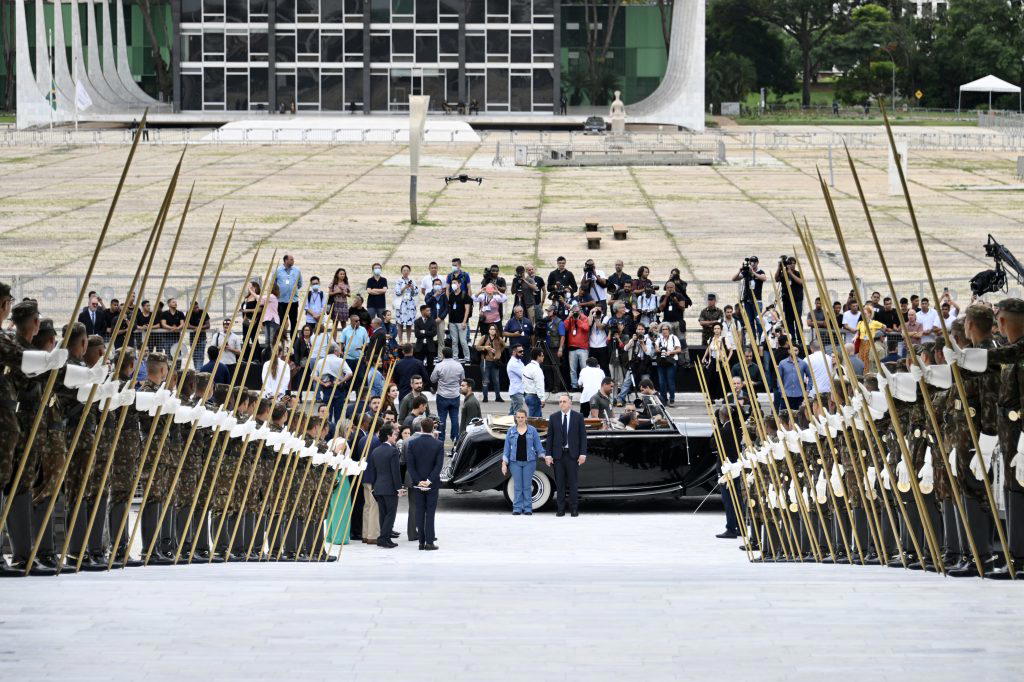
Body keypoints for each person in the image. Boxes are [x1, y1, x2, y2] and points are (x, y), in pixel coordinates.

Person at [544, 394, 587, 517]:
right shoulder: (554, 417)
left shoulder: (578, 417)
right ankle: (560, 509)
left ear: (570, 403)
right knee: (560, 484)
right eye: (560, 401)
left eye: (564, 401)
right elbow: (550, 437)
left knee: (573, 483)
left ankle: (574, 509)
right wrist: (548, 454)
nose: (561, 403)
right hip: (558, 456)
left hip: (572, 455)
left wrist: (583, 453)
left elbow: (583, 436)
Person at [406, 417, 443, 550]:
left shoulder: (412, 444)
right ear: (433, 428)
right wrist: (428, 481)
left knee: (420, 512)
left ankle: (421, 542)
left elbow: (411, 466)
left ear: (421, 428)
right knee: (430, 513)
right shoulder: (438, 444)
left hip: (418, 484)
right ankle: (429, 541)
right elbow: (438, 466)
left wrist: (419, 481)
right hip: (431, 484)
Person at [501, 410, 545, 515]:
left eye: (522, 417)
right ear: (515, 418)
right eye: (518, 417)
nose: (520, 419)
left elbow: (539, 447)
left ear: (526, 418)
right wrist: (504, 463)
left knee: (527, 486)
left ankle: (528, 508)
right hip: (514, 462)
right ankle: (517, 508)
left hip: (529, 462)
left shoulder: (532, 431)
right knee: (517, 486)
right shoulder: (511, 431)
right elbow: (506, 449)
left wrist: (545, 456)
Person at [366, 423, 403, 548]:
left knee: (383, 514)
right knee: (390, 514)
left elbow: (373, 471)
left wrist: (374, 488)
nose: (396, 437)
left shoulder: (375, 451)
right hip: (390, 488)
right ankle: (383, 538)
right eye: (394, 435)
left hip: (378, 487)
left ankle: (385, 538)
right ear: (388, 436)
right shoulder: (393, 451)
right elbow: (395, 472)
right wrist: (399, 488)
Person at [431, 347, 465, 442]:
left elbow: (432, 379)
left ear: (443, 354)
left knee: (441, 418)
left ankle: (441, 438)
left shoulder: (439, 365)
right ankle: (455, 438)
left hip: (442, 395)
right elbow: (462, 380)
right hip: (455, 395)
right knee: (455, 418)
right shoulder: (459, 366)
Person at [732, 256, 767, 337]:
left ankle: (761, 340)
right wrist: (739, 271)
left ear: (758, 262)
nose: (753, 263)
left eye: (755, 261)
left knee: (758, 321)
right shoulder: (746, 272)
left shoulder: (760, 271)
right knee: (750, 321)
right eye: (751, 261)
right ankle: (753, 340)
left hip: (757, 300)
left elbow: (764, 278)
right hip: (747, 300)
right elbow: (734, 279)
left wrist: (753, 273)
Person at [775, 256, 804, 342]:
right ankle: (793, 339)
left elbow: (801, 281)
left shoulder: (797, 273)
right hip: (787, 301)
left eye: (793, 263)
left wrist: (791, 273)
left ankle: (800, 339)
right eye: (789, 263)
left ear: (795, 264)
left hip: (797, 300)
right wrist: (779, 267)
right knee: (789, 321)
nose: (791, 265)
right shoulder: (783, 273)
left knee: (797, 319)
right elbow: (776, 279)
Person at [474, 323, 506, 402]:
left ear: (496, 331)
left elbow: (504, 346)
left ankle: (498, 397)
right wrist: (485, 347)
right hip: (485, 361)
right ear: (489, 330)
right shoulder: (485, 337)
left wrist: (498, 354)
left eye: (494, 329)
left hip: (495, 362)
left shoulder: (499, 339)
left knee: (496, 380)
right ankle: (485, 397)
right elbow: (477, 347)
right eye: (491, 329)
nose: (492, 331)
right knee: (485, 380)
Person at [653, 322, 682, 405]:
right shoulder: (659, 338)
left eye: (666, 329)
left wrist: (670, 352)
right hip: (661, 362)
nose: (664, 331)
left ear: (669, 330)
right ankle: (663, 399)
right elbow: (656, 349)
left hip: (671, 361)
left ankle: (672, 398)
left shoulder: (674, 338)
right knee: (662, 382)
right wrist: (660, 349)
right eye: (663, 329)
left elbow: (679, 349)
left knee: (670, 381)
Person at [564, 303, 590, 390]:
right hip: (572, 348)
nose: (575, 313)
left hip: (583, 348)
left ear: (580, 311)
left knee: (584, 369)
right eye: (574, 311)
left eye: (577, 311)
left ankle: (584, 385)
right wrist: (568, 317)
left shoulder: (585, 318)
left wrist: (578, 320)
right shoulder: (570, 319)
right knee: (573, 369)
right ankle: (574, 386)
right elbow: (564, 327)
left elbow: (586, 328)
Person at [446, 278, 472, 362]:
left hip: (461, 322)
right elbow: (450, 308)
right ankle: (455, 357)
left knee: (463, 341)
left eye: (455, 283)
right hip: (452, 322)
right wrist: (449, 322)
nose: (453, 284)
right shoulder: (451, 295)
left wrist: (464, 322)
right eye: (452, 283)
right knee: (454, 341)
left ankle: (467, 357)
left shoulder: (465, 295)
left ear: (459, 284)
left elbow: (467, 309)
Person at [276, 254, 303, 335]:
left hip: (293, 301)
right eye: (291, 259)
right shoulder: (278, 270)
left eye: (293, 259)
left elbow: (300, 283)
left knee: (293, 320)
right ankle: (281, 337)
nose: (293, 261)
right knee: (281, 320)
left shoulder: (297, 270)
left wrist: (291, 290)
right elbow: (273, 284)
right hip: (281, 301)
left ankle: (293, 337)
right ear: (286, 260)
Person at [424, 277, 450, 360]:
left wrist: (441, 317)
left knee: (441, 340)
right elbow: (427, 303)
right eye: (436, 284)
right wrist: (434, 296)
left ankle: (441, 357)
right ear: (433, 285)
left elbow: (446, 308)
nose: (438, 286)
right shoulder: (429, 294)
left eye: (439, 284)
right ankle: (429, 357)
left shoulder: (444, 295)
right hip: (431, 320)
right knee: (429, 339)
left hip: (441, 320)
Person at [393, 264, 418, 345]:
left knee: (409, 323)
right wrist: (405, 287)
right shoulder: (399, 281)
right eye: (404, 270)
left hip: (410, 304)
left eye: (407, 270)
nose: (406, 272)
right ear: (401, 271)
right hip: (401, 304)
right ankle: (400, 340)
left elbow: (416, 293)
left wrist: (412, 288)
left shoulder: (412, 281)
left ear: (409, 271)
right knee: (400, 323)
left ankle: (408, 340)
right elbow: (397, 292)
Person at [522, 348, 547, 418]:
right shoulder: (537, 369)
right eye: (542, 355)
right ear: (538, 356)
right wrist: (542, 399)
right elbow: (539, 385)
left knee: (539, 421)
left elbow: (523, 381)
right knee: (533, 422)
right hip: (534, 397)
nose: (543, 357)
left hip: (527, 395)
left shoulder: (526, 367)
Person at [413, 304, 438, 373]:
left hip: (430, 346)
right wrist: (428, 332)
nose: (429, 312)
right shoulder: (417, 321)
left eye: (429, 310)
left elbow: (434, 333)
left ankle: (429, 381)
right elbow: (417, 334)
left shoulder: (432, 321)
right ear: (422, 311)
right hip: (420, 347)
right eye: (427, 310)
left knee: (430, 366)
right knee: (419, 365)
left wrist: (423, 331)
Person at [506, 344, 526, 415]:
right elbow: (524, 375)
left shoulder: (519, 361)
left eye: (522, 351)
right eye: (520, 351)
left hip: (517, 391)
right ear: (514, 352)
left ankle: (509, 425)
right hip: (517, 392)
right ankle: (516, 426)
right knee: (519, 415)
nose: (522, 353)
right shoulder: (513, 363)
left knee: (511, 415)